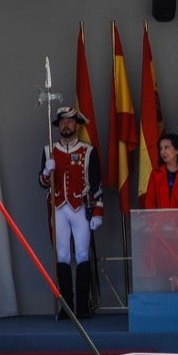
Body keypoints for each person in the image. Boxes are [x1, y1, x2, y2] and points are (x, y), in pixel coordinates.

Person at [39, 106, 103, 318]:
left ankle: (83, 306)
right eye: (63, 121)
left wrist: (98, 211)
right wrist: (47, 171)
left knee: (83, 254)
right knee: (63, 255)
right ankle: (66, 307)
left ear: (77, 124)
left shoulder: (88, 150)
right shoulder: (49, 150)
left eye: (70, 121)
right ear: (59, 125)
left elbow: (96, 183)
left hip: (80, 207)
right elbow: (42, 183)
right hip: (58, 207)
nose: (66, 124)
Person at [142, 133, 178, 209]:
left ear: (177, 150)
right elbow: (150, 203)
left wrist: (177, 219)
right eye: (161, 148)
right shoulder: (155, 174)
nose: (162, 152)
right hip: (160, 220)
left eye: (166, 147)